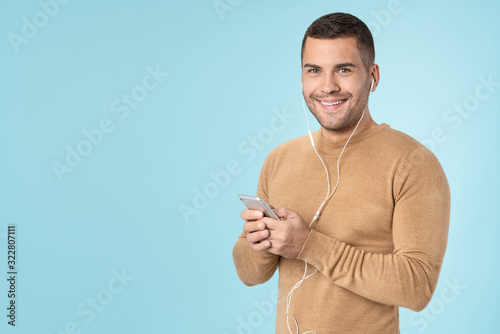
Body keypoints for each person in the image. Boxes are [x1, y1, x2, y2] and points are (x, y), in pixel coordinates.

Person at [232, 12, 450, 334]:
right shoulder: (279, 159)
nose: (327, 86)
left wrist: (309, 245)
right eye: (314, 71)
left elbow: (417, 286)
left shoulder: (413, 164)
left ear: (373, 77)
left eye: (344, 70)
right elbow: (250, 274)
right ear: (302, 78)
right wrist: (260, 243)